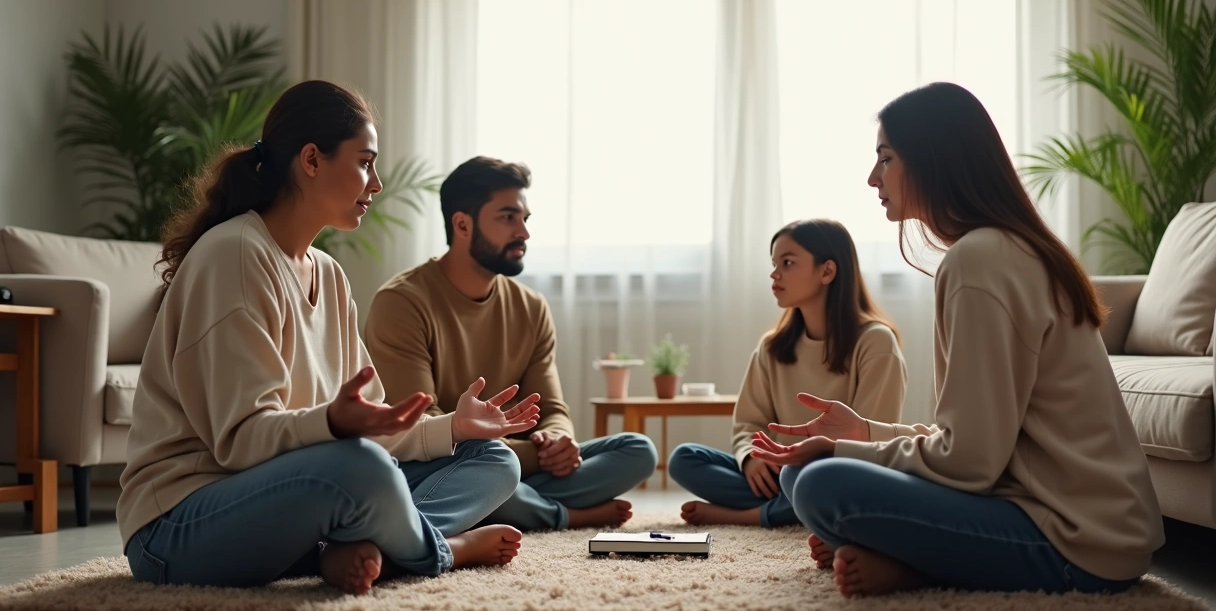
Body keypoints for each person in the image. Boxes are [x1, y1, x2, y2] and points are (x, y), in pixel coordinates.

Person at [117, 81, 539, 595]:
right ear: (312, 160)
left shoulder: (330, 275)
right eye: (365, 163)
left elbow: (373, 427)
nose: (376, 183)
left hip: (294, 503)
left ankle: (367, 548)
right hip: (178, 527)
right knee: (360, 466)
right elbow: (242, 443)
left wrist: (453, 426)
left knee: (493, 458)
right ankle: (438, 550)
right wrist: (334, 423)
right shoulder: (234, 254)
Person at [751, 82, 1164, 598]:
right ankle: (909, 557)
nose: (873, 177)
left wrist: (844, 448)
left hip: (1080, 541)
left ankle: (913, 565)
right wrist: (863, 433)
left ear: (932, 160)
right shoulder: (1001, 249)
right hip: (1049, 510)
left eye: (886, 159)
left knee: (819, 482)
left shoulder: (979, 261)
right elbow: (977, 442)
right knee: (803, 474)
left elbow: (968, 462)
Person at [365, 156, 658, 531]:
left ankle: (500, 504)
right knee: (492, 471)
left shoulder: (531, 307)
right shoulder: (401, 303)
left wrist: (558, 441)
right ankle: (559, 515)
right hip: (446, 464)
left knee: (638, 450)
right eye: (508, 217)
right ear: (462, 224)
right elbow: (424, 428)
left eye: (525, 219)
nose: (524, 233)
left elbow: (552, 409)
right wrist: (530, 455)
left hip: (514, 464)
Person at [668, 219, 906, 527]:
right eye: (774, 264)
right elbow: (747, 425)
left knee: (815, 480)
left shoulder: (876, 342)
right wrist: (751, 458)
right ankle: (795, 508)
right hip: (779, 475)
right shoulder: (772, 347)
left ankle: (753, 515)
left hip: (835, 471)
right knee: (685, 458)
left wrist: (805, 464)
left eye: (788, 262)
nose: (774, 274)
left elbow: (871, 444)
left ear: (827, 271)